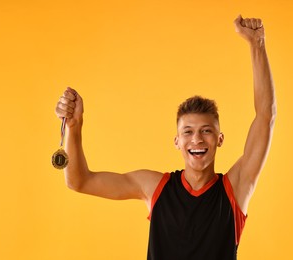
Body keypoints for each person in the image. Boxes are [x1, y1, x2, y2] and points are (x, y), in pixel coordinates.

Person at [55, 15, 276, 260]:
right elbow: (79, 181)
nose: (197, 140)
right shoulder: (155, 187)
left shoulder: (235, 189)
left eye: (206, 131)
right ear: (177, 141)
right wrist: (74, 127)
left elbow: (265, 116)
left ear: (220, 139)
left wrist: (258, 44)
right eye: (188, 132)